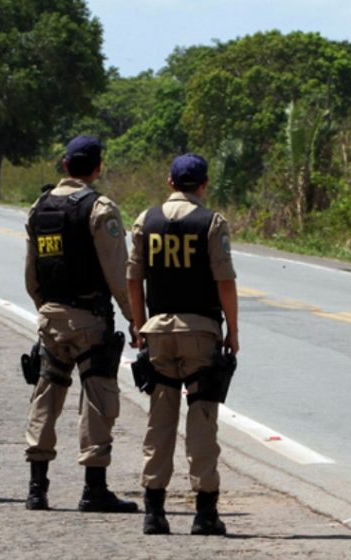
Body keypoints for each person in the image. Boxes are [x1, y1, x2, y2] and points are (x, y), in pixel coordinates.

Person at [23, 135, 137, 513]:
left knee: (46, 394)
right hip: (89, 319)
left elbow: (32, 274)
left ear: (64, 163)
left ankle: (36, 488)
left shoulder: (39, 207)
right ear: (97, 167)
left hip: (51, 317)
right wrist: (136, 318)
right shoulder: (99, 208)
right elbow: (119, 274)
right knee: (98, 397)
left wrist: (46, 309)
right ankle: (94, 488)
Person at [127, 153, 238, 536]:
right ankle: (205, 512)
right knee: (202, 419)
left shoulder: (147, 220)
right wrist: (233, 332)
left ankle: (153, 511)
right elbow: (225, 281)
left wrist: (139, 324)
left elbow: (133, 278)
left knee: (160, 418)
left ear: (170, 182)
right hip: (200, 331)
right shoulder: (211, 223)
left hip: (158, 332)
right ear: (203, 185)